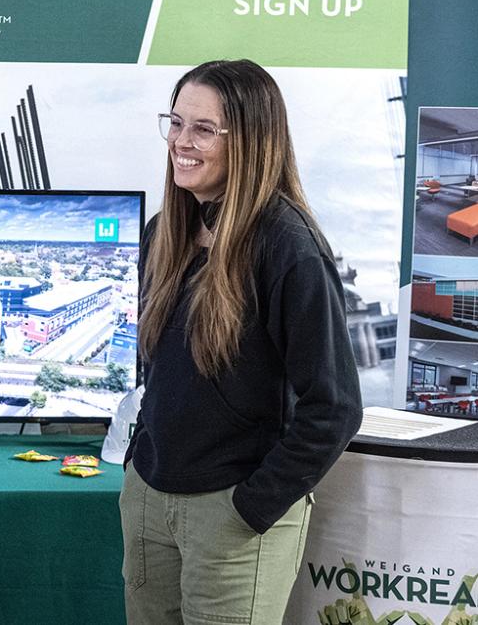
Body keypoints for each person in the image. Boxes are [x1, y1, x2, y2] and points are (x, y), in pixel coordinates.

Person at [121, 59, 363, 624]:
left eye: (203, 129)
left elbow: (335, 407)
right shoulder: (166, 232)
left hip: (232, 517)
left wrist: (252, 507)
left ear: (252, 139)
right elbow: (160, 371)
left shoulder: (288, 247)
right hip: (150, 502)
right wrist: (140, 460)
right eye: (176, 123)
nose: (181, 142)